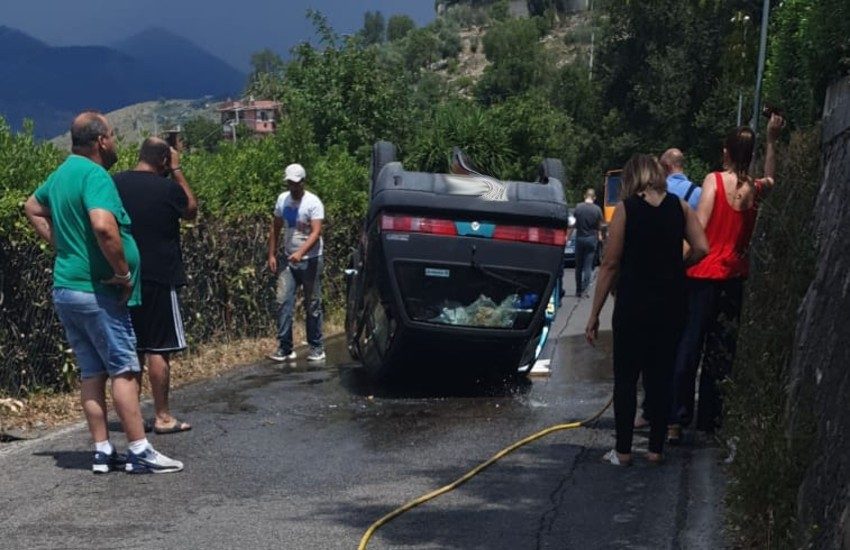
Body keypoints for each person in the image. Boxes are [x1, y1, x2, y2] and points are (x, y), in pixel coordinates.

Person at [23, 111, 183, 474]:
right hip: (97, 291)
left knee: (91, 371)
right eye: (112, 135)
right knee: (124, 369)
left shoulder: (61, 173)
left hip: (66, 289)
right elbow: (103, 226)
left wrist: (61, 245)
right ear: (100, 142)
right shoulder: (95, 175)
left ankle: (102, 450)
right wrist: (123, 272)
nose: (115, 142)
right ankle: (140, 450)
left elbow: (32, 207)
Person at [585, 154, 708, 465]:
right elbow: (702, 247)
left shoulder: (627, 210)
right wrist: (678, 266)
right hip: (671, 302)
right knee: (661, 374)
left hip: (633, 302)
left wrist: (594, 313)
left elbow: (610, 263)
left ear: (632, 177)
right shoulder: (679, 207)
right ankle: (655, 450)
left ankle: (623, 451)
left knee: (626, 377)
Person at [667, 113, 784, 441]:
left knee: (688, 346)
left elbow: (699, 228)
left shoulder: (713, 181)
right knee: (721, 351)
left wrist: (676, 263)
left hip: (702, 275)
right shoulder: (754, 189)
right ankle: (709, 422)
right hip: (733, 279)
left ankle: (676, 420)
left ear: (728, 153)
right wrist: (772, 141)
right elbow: (772, 179)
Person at [114, 137, 198, 435]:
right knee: (159, 349)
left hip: (124, 276)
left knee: (133, 348)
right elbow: (191, 210)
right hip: (161, 276)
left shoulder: (115, 183)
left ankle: (132, 417)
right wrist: (177, 170)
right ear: (164, 159)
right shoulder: (168, 188)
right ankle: (163, 416)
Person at [634, 147, 703, 430]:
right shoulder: (696, 195)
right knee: (680, 347)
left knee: (650, 346)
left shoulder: (646, 197)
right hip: (684, 277)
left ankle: (650, 409)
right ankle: (677, 414)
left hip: (651, 278)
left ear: (663, 167)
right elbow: (701, 242)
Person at [267, 163, 326, 363]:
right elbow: (275, 227)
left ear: (302, 182)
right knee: (283, 301)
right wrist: (272, 254)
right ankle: (285, 348)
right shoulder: (282, 200)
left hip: (310, 260)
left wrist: (301, 252)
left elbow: (317, 232)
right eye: (289, 183)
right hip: (288, 259)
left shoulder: (313, 203)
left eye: (296, 183)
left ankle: (316, 347)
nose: (292, 187)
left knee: (312, 304)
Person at [573, 188, 604, 297]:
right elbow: (599, 225)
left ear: (584, 196)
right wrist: (600, 234)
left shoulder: (578, 207)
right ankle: (585, 290)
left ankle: (578, 290)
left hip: (580, 238)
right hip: (591, 239)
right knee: (588, 266)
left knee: (578, 266)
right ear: (594, 198)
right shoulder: (597, 210)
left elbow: (574, 223)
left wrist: (568, 236)